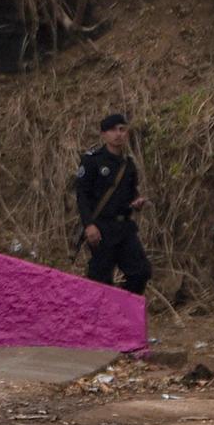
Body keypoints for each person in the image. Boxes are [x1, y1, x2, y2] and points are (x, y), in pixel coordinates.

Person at [75, 113, 150, 295]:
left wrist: (136, 203)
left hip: (124, 227)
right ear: (104, 134)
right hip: (102, 228)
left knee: (141, 272)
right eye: (113, 130)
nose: (118, 134)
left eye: (122, 129)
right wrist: (89, 225)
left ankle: (123, 311)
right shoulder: (93, 160)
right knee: (100, 280)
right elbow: (82, 195)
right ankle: (102, 319)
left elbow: (131, 194)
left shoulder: (128, 165)